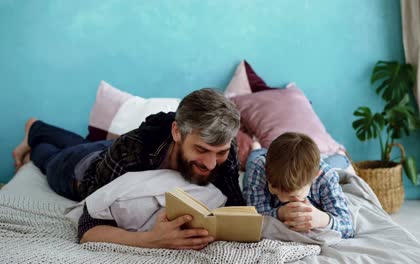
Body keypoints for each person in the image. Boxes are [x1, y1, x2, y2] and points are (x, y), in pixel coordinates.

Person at [13, 88, 245, 249]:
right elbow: (88, 225)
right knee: (49, 157)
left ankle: (39, 131)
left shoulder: (224, 147)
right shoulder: (133, 148)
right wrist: (152, 239)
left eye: (221, 153)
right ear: (177, 132)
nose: (212, 164)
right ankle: (34, 132)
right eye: (201, 150)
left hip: (111, 150)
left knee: (84, 143)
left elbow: (236, 206)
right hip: (79, 170)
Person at [242, 132, 354, 238]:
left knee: (337, 161)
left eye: (292, 195)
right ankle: (256, 148)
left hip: (322, 167)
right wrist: (279, 213)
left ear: (315, 176)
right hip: (260, 161)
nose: (283, 199)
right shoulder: (259, 168)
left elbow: (348, 228)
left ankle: (340, 154)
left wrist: (323, 219)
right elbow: (255, 215)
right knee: (253, 158)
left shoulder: (326, 176)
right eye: (274, 189)